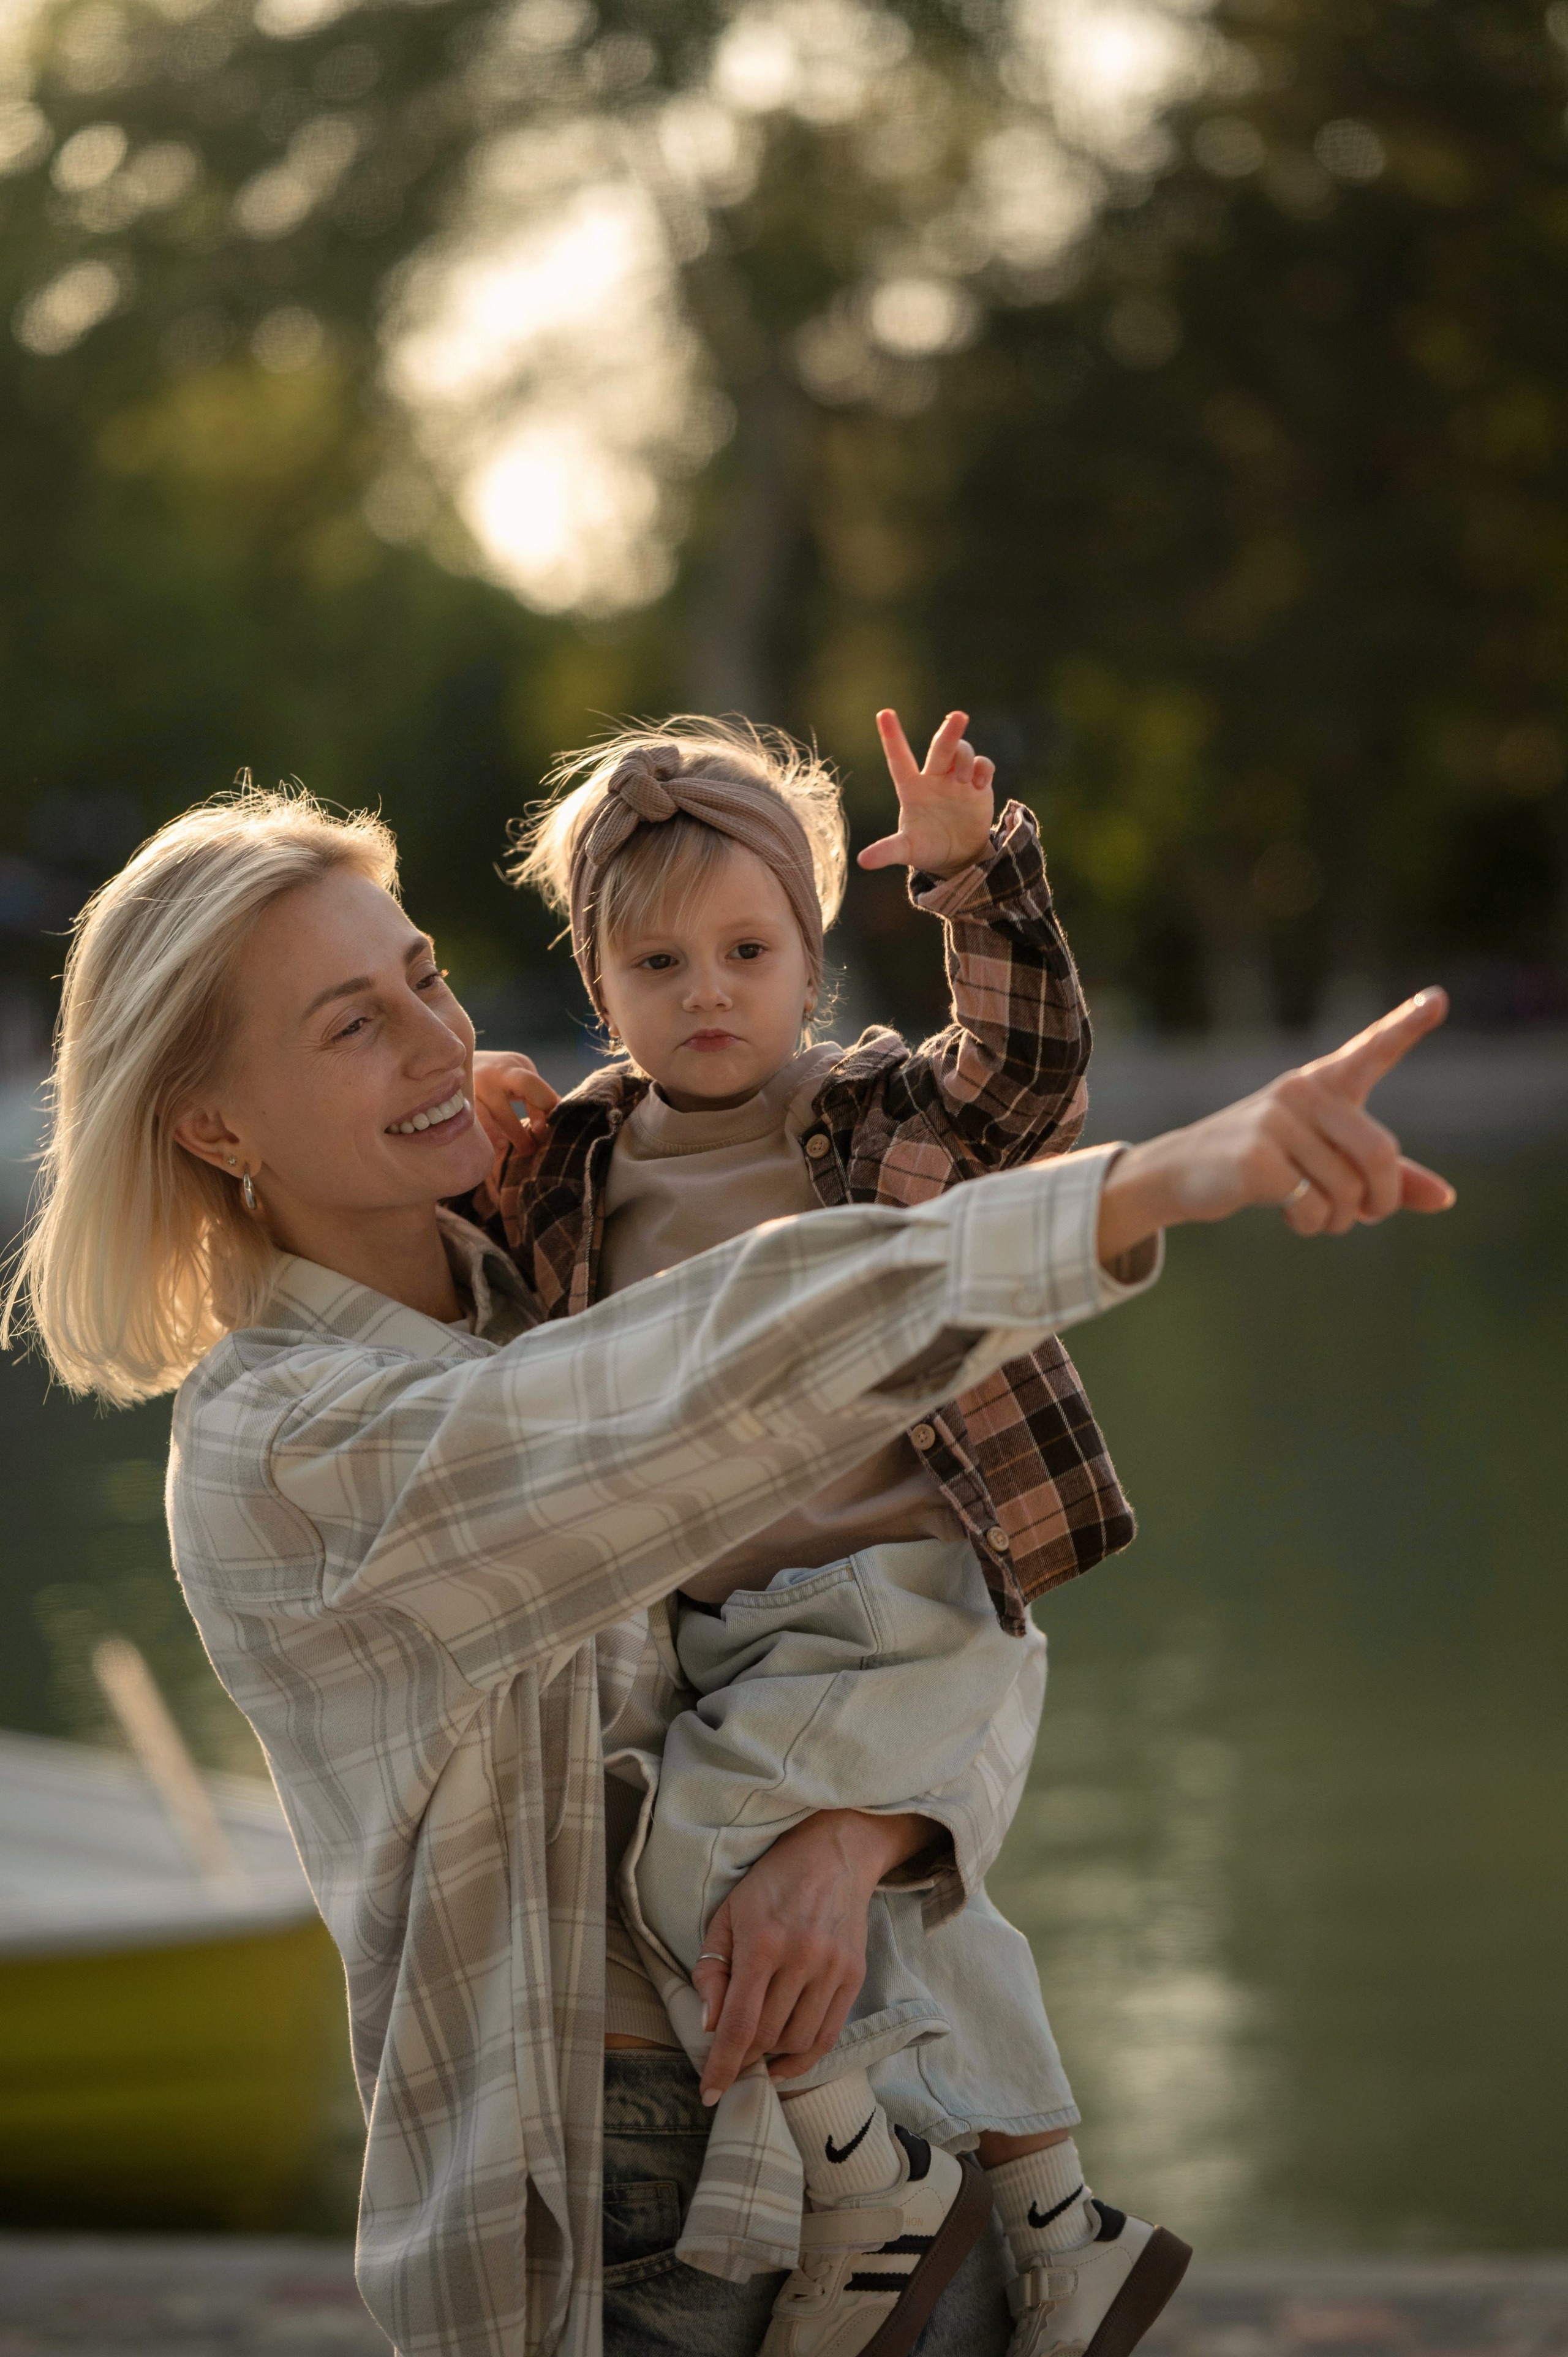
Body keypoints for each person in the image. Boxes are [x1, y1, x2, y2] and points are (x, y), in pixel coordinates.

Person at [3, 783, 1453, 2357]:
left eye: (422, 974)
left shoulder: (548, 1265)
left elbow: (962, 1630)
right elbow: (682, 1384)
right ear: (213, 1126)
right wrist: (1146, 1184)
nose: (434, 1042)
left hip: (873, 2130)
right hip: (607, 2209)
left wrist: (859, 1827)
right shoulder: (280, 1435)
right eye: (350, 1027)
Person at [470, 711, 1454, 2357]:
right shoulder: (578, 1167)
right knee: (928, 1926)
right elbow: (495, 1322)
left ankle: (871, 2190)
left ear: (809, 954)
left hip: (903, 1586)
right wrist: (476, 1123)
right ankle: (1064, 2226)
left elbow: (1030, 1075)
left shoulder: (867, 1119)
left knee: (695, 1848)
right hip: (734, 1619)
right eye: (656, 962)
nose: (706, 990)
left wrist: (973, 882)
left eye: (746, 949)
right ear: (596, 976)